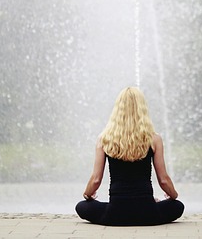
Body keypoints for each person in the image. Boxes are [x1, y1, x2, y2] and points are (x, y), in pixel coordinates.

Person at [75, 86, 184, 226]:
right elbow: (163, 180)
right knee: (178, 206)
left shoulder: (104, 139)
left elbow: (96, 179)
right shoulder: (154, 139)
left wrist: (87, 195)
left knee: (81, 206)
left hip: (115, 214)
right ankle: (152, 205)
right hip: (148, 213)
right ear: (142, 109)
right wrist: (173, 196)